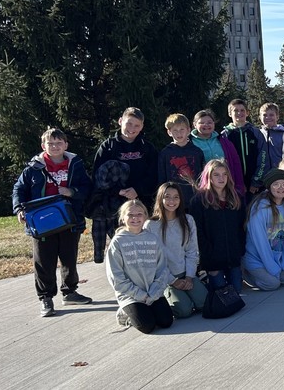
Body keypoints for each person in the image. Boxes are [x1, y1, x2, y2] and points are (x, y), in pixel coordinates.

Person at [13, 127, 94, 317]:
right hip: (42, 222)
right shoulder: (34, 167)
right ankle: (46, 298)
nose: (55, 146)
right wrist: (19, 209)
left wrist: (71, 191)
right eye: (51, 143)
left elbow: (87, 187)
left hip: (69, 219)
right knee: (43, 261)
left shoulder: (76, 164)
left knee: (69, 258)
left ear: (66, 145)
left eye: (59, 143)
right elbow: (19, 189)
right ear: (43, 146)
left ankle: (70, 292)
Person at [91, 107, 158, 262]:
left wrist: (137, 190)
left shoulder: (147, 148)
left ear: (142, 127)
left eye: (137, 125)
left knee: (142, 246)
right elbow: (98, 176)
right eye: (129, 124)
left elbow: (154, 175)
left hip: (142, 203)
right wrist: (118, 191)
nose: (132, 129)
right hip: (115, 206)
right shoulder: (107, 147)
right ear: (120, 121)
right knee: (122, 248)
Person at [105, 199, 173, 333]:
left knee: (166, 321)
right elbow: (116, 278)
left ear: (145, 216)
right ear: (123, 218)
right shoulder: (117, 242)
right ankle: (125, 313)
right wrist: (141, 295)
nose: (135, 218)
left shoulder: (153, 239)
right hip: (130, 295)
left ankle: (145, 310)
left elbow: (162, 269)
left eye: (139, 214)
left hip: (153, 292)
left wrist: (154, 292)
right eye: (130, 215)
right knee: (147, 326)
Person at [145, 182, 207, 318]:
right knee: (184, 311)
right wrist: (173, 281)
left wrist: (190, 277)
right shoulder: (151, 225)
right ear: (160, 199)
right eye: (167, 197)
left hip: (186, 273)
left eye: (176, 197)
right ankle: (168, 297)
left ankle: (190, 294)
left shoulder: (188, 220)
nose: (171, 201)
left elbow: (192, 251)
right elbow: (153, 261)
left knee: (204, 303)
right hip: (165, 277)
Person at [188, 159, 245, 293]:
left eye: (224, 174)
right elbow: (197, 231)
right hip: (212, 258)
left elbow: (241, 227)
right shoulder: (199, 200)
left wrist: (240, 249)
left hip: (233, 256)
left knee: (236, 291)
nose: (221, 178)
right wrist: (207, 255)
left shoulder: (236, 197)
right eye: (216, 175)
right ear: (209, 177)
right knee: (221, 293)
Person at [243, 169, 284, 290]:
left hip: (276, 256)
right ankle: (246, 273)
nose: (281, 187)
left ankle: (271, 271)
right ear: (269, 187)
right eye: (276, 184)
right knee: (273, 284)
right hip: (257, 257)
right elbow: (260, 242)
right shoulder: (260, 207)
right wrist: (272, 267)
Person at [190, 109, 246, 195]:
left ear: (214, 123)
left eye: (209, 122)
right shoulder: (189, 143)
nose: (206, 125)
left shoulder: (224, 141)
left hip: (225, 187)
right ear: (194, 124)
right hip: (201, 188)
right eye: (202, 123)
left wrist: (239, 186)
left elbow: (235, 163)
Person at [157, 113, 206, 205]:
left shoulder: (197, 152)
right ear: (169, 132)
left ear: (188, 130)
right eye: (175, 130)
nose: (179, 133)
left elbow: (203, 176)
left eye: (182, 129)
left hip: (195, 198)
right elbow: (161, 179)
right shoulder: (165, 153)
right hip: (173, 201)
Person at [222, 98, 268, 194]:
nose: (239, 113)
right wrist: (233, 183)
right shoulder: (225, 135)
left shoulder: (256, 133)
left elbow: (263, 158)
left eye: (242, 110)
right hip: (233, 186)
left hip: (254, 186)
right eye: (235, 110)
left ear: (247, 113)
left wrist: (256, 181)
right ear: (230, 114)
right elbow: (223, 160)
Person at [259, 102, 284, 172]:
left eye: (271, 115)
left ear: (277, 116)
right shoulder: (258, 134)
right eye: (264, 115)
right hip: (262, 173)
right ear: (260, 117)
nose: (268, 117)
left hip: (280, 171)